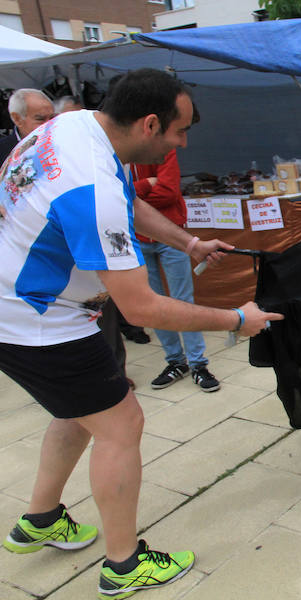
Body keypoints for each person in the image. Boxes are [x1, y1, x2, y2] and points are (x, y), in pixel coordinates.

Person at [0, 68, 283, 598]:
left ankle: (39, 521)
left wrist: (187, 242)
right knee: (120, 424)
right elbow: (142, 308)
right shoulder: (91, 186)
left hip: (22, 308)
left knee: (80, 412)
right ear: (150, 123)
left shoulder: (76, 126)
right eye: (179, 132)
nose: (182, 143)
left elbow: (129, 205)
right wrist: (235, 320)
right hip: (39, 322)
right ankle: (123, 566)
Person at [134, 141, 221, 392]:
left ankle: (198, 364)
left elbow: (169, 191)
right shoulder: (113, 153)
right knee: (152, 302)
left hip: (170, 234)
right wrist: (145, 184)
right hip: (137, 238)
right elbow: (113, 194)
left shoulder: (161, 148)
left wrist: (134, 194)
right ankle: (175, 361)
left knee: (183, 300)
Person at [0, 88, 54, 162]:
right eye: (40, 119)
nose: (49, 124)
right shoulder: (3, 151)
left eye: (52, 118)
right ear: (17, 119)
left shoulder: (61, 144)